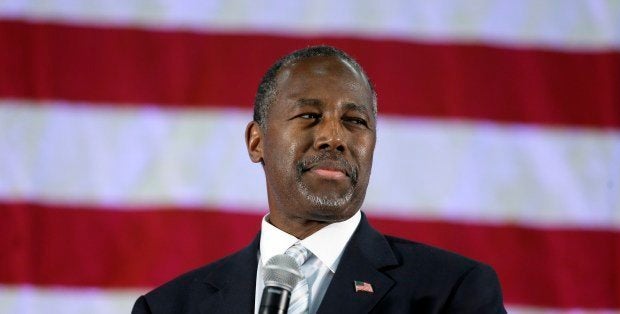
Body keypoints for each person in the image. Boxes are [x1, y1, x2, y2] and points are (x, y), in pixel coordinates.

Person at [131, 46, 507, 313]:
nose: (335, 137)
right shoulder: (169, 307)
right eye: (309, 116)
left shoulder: (452, 293)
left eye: (354, 121)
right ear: (257, 142)